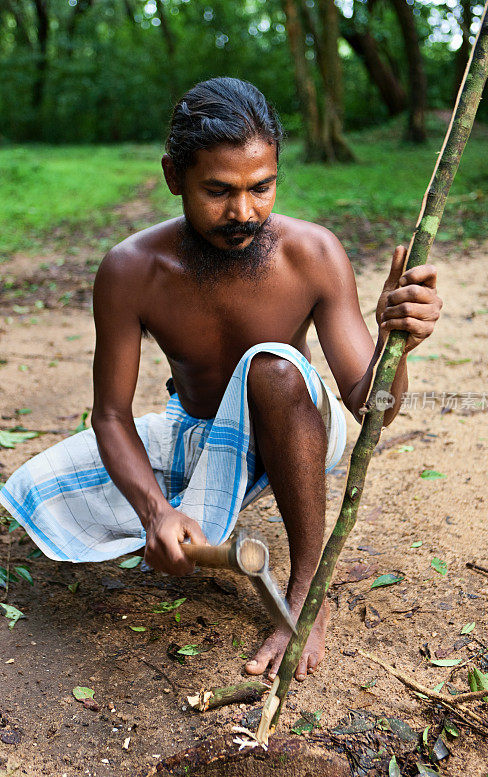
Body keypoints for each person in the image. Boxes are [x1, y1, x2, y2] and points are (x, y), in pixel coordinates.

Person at [0, 77, 442, 682]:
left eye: (262, 188)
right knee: (34, 490)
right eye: (219, 191)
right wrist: (155, 512)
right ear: (173, 176)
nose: (243, 213)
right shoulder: (131, 270)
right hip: (201, 431)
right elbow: (110, 415)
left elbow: (375, 407)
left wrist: (399, 348)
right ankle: (192, 507)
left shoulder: (313, 253)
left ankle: (308, 592)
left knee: (272, 366)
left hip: (303, 419)